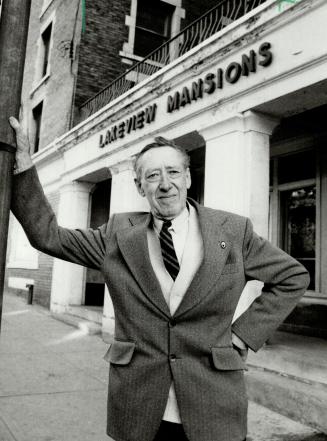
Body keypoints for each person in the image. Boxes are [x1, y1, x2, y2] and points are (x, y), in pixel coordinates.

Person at [9, 116, 309, 441]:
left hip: (213, 399)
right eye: (152, 176)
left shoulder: (233, 231)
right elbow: (47, 236)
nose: (165, 184)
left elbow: (292, 276)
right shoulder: (117, 236)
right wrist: (24, 165)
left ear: (188, 178)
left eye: (173, 172)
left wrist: (243, 335)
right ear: (140, 186)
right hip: (141, 404)